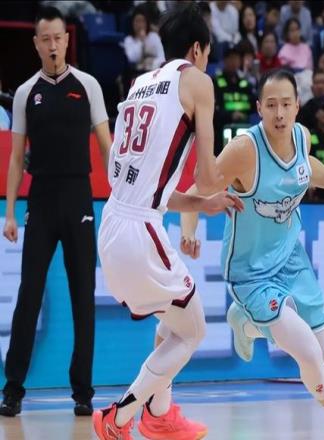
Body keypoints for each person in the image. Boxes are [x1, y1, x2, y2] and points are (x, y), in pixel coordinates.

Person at [181, 69, 324, 439]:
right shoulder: (245, 150)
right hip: (250, 272)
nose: (279, 113)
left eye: (286, 104)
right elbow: (199, 187)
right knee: (308, 352)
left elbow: (305, 168)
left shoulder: (302, 136)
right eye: (271, 105)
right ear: (259, 108)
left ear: (297, 106)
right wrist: (188, 230)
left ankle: (246, 323)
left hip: (291, 257)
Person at [92, 4, 243, 439]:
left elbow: (145, 186)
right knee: (192, 330)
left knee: (173, 320)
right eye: (208, 53)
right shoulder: (197, 81)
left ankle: (160, 414)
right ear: (197, 49)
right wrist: (241, 171)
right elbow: (209, 175)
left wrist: (201, 203)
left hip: (114, 222)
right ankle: (120, 417)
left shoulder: (140, 84)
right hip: (140, 231)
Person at [0, 6, 112, 418]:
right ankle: (13, 389)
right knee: (29, 295)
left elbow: (107, 146)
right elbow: (16, 159)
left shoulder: (88, 86)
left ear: (67, 40)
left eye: (57, 38)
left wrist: (121, 196)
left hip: (79, 198)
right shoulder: (26, 93)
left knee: (84, 296)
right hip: (41, 202)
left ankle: (83, 392)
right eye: (44, 39)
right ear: (36, 44)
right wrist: (11, 212)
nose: (52, 45)